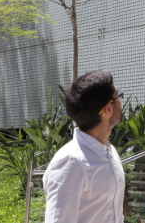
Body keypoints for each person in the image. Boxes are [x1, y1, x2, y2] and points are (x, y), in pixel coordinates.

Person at [44, 71, 126, 223]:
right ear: (108, 109)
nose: (121, 102)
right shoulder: (71, 163)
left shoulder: (111, 152)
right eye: (118, 97)